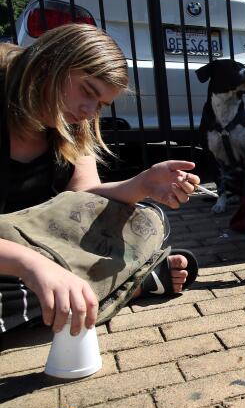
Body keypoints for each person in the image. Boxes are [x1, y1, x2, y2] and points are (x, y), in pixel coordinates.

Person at [0, 24, 200, 337]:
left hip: (46, 246)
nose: (89, 111)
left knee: (146, 217)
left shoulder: (73, 123)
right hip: (15, 258)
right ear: (48, 64)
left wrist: (144, 184)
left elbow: (85, 199)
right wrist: (31, 265)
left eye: (101, 105)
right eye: (87, 91)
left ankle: (75, 293)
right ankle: (129, 282)